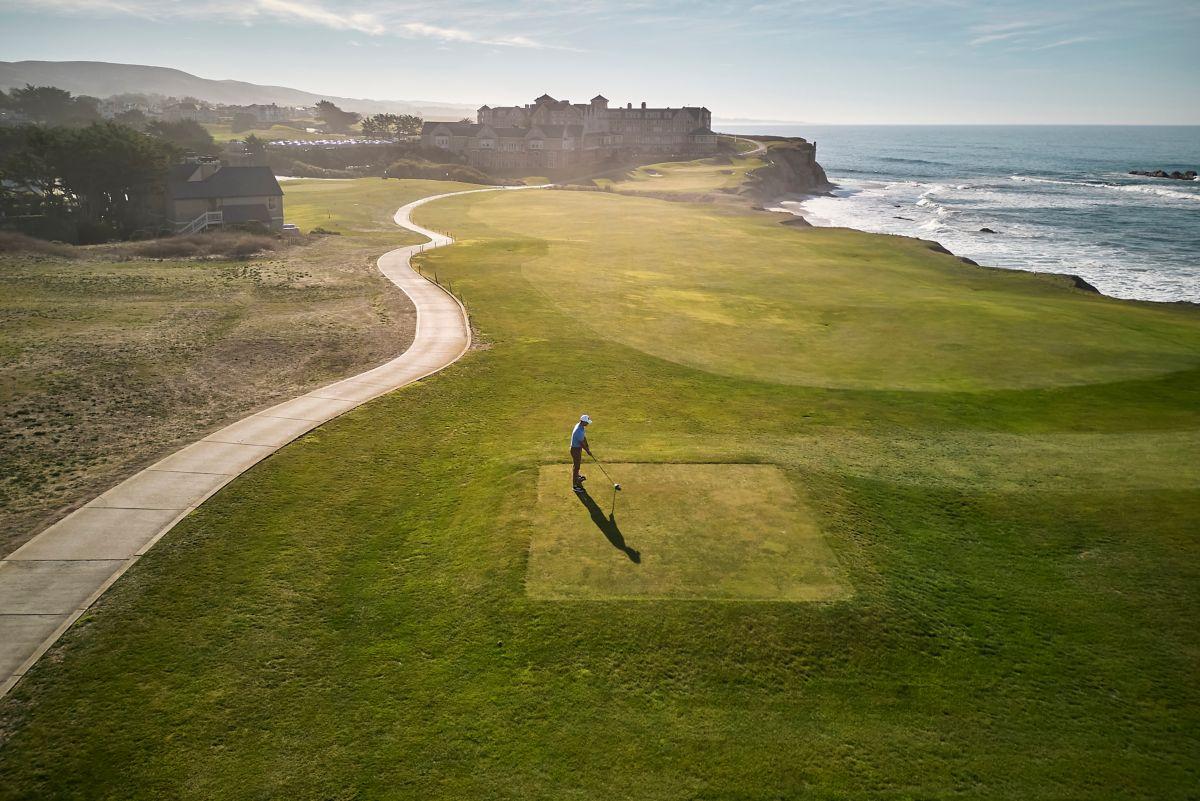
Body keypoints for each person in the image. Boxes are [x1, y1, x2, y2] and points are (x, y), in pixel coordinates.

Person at [570, 414, 592, 493]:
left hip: (577, 449)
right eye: (587, 422)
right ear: (583, 422)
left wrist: (587, 445)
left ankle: (577, 477)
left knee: (577, 465)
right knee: (577, 467)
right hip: (575, 449)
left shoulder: (581, 426)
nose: (588, 424)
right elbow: (582, 443)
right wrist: (588, 451)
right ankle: (575, 486)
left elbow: (584, 438)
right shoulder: (578, 430)